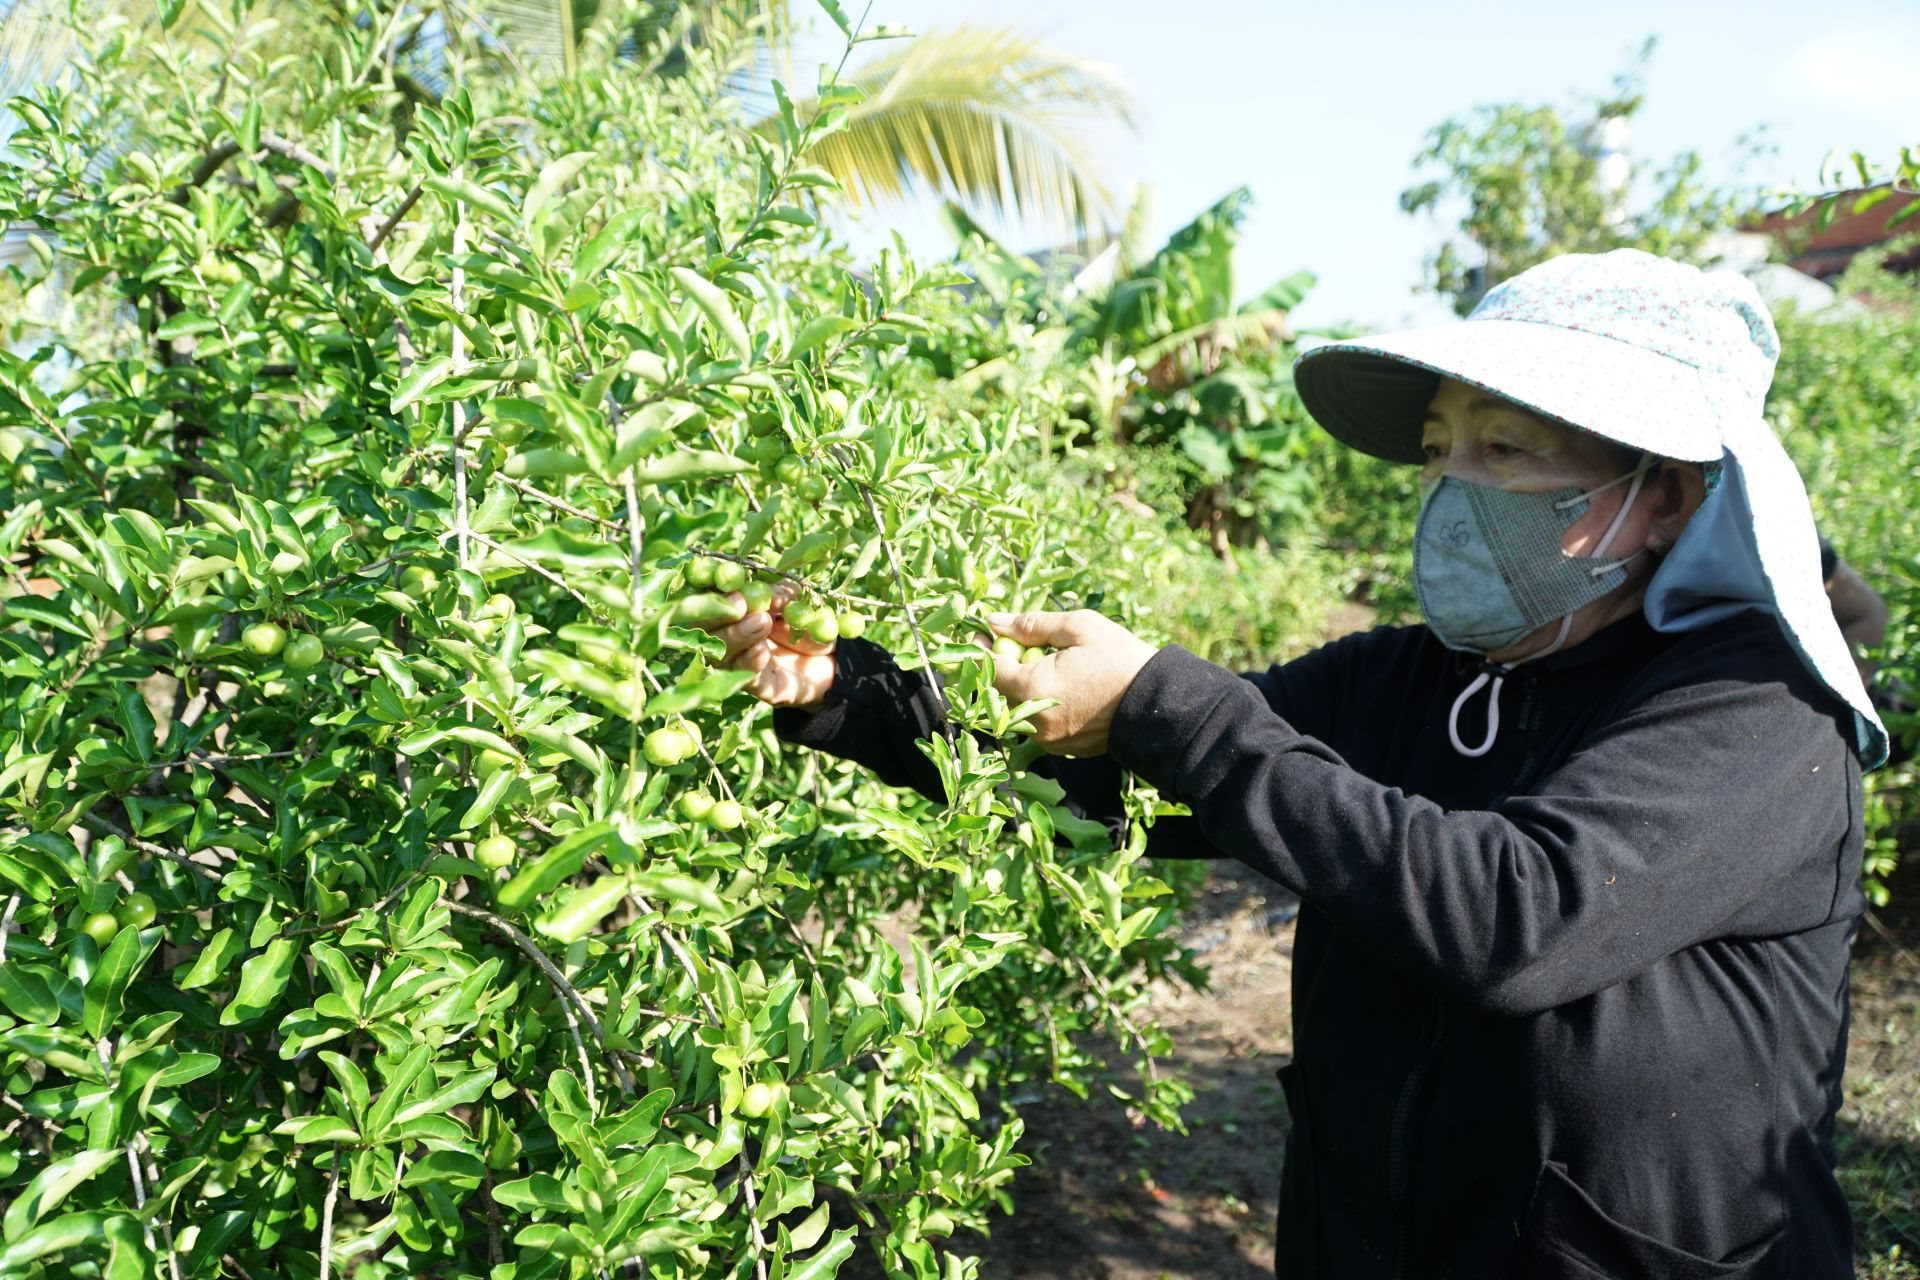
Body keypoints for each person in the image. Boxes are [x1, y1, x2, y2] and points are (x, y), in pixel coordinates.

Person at [701, 250, 1887, 1278]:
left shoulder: (1760, 710)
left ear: (1665, 496)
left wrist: (1176, 700)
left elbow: (1518, 915)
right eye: (1438, 449)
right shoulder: (1417, 677)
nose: (1449, 489)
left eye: (1504, 448)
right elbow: (1144, 777)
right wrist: (846, 693)